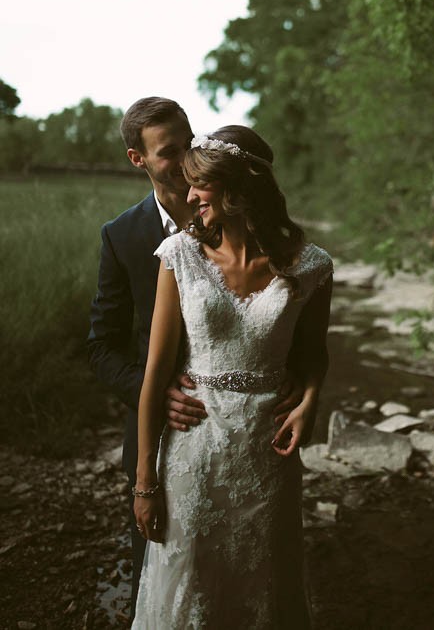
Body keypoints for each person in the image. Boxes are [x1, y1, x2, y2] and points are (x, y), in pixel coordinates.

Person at [87, 99, 301, 620]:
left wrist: (308, 387)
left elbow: (287, 332)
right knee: (168, 586)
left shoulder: (243, 215)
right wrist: (157, 391)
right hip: (166, 435)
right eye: (171, 152)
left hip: (251, 436)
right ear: (139, 159)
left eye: (191, 143)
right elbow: (101, 345)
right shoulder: (123, 236)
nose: (186, 161)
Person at [131, 126, 333, 629]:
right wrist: (144, 481)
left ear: (240, 190)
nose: (190, 194)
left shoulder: (310, 267)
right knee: (192, 586)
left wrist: (310, 400)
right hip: (194, 447)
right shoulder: (178, 255)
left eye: (201, 184)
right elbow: (156, 372)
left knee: (263, 584)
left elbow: (314, 356)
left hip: (267, 452)